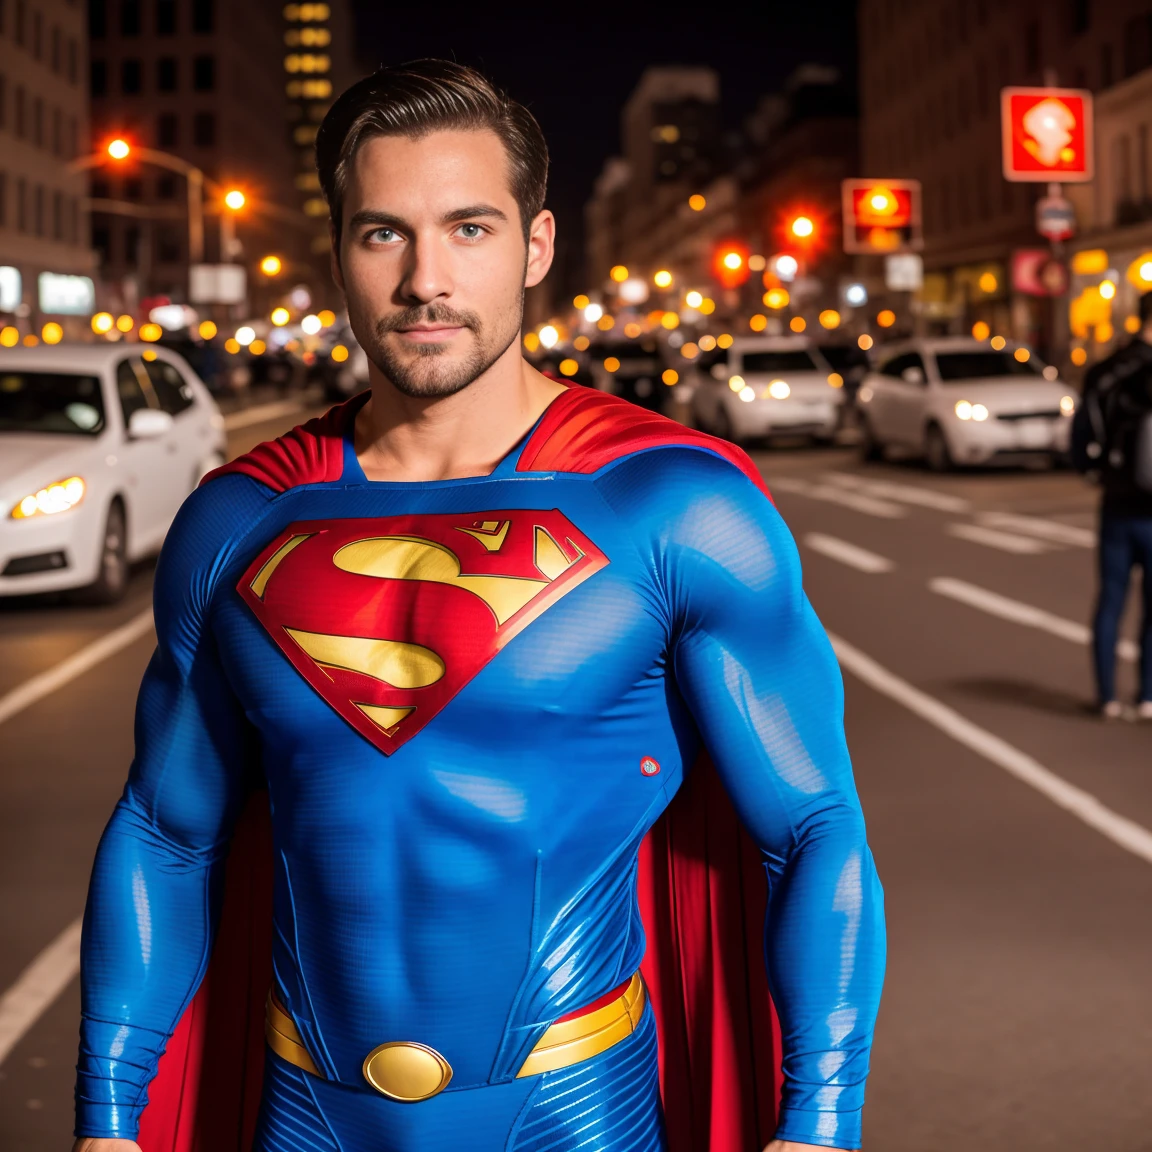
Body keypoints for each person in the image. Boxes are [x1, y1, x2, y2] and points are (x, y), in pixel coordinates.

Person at [73, 62, 885, 1152]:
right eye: (382, 234)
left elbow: (815, 827)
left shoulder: (671, 506)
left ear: (535, 246)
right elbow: (166, 832)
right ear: (339, 252)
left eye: (468, 228)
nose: (424, 279)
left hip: (573, 1107)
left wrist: (821, 1123)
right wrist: (108, 1120)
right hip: (305, 1108)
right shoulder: (237, 522)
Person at [1075, 290, 1152, 719]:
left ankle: (1106, 696)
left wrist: (1097, 472)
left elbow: (1080, 438)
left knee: (1111, 599)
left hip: (1117, 504)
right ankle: (1147, 695)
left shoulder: (1107, 373)